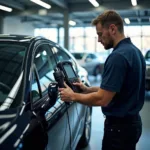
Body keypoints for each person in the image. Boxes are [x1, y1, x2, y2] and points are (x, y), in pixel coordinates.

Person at [59, 10, 146, 150]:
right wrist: (88, 89)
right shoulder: (134, 51)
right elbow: (117, 89)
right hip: (132, 124)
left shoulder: (117, 57)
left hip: (119, 129)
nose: (99, 39)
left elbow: (102, 99)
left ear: (112, 29)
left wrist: (73, 96)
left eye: (100, 34)